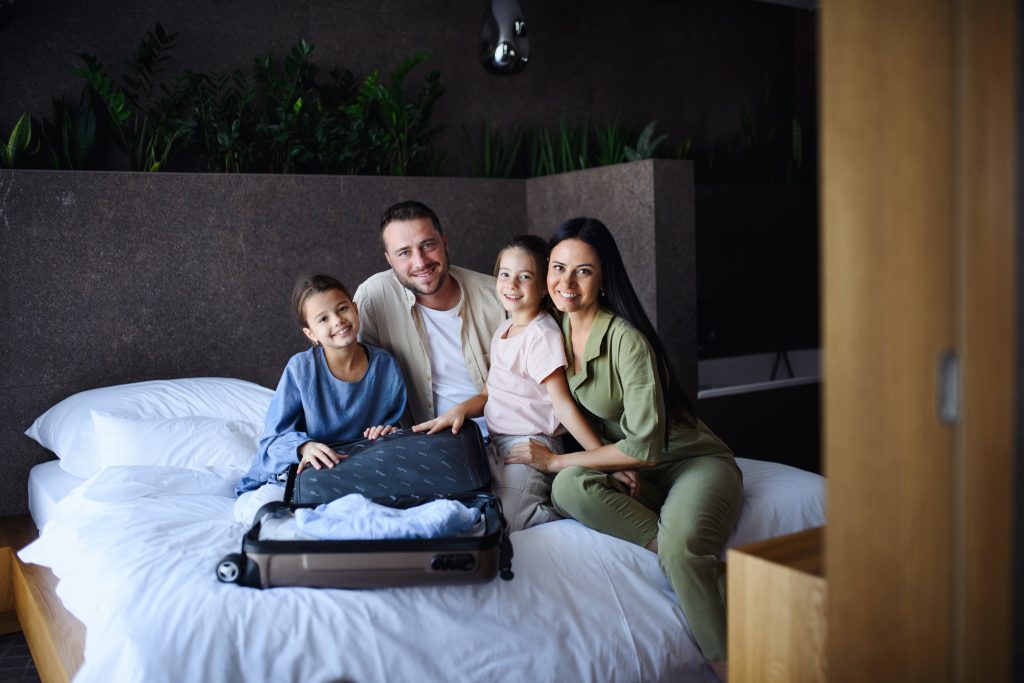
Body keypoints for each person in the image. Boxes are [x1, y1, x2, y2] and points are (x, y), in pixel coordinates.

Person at [505, 218, 742, 679]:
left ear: (604, 278)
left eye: (583, 271)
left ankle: (730, 664)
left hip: (690, 462)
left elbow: (646, 447)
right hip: (631, 468)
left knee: (570, 475)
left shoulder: (626, 341)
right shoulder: (548, 328)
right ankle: (685, 561)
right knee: (568, 489)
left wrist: (556, 459)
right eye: (557, 267)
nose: (565, 283)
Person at [413, 235, 605, 531]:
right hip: (496, 443)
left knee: (508, 521)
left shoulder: (540, 335)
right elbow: (490, 392)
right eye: (505, 274)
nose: (511, 284)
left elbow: (562, 405)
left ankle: (567, 514)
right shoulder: (505, 329)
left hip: (531, 443)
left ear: (543, 286)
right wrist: (458, 410)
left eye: (524, 276)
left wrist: (600, 458)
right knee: (471, 503)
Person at [235, 274, 407, 496]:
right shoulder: (301, 369)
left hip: (358, 466)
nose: (337, 320)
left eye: (342, 309)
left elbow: (393, 427)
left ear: (355, 309)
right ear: (310, 334)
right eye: (323, 319)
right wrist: (304, 447)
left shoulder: (386, 366)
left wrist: (387, 432)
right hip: (306, 469)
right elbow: (272, 442)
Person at [353, 200, 506, 436]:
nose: (420, 261)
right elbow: (360, 379)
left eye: (428, 245)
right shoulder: (374, 298)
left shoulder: (497, 296)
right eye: (404, 252)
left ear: (444, 242)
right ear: (389, 259)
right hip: (429, 444)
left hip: (508, 433)